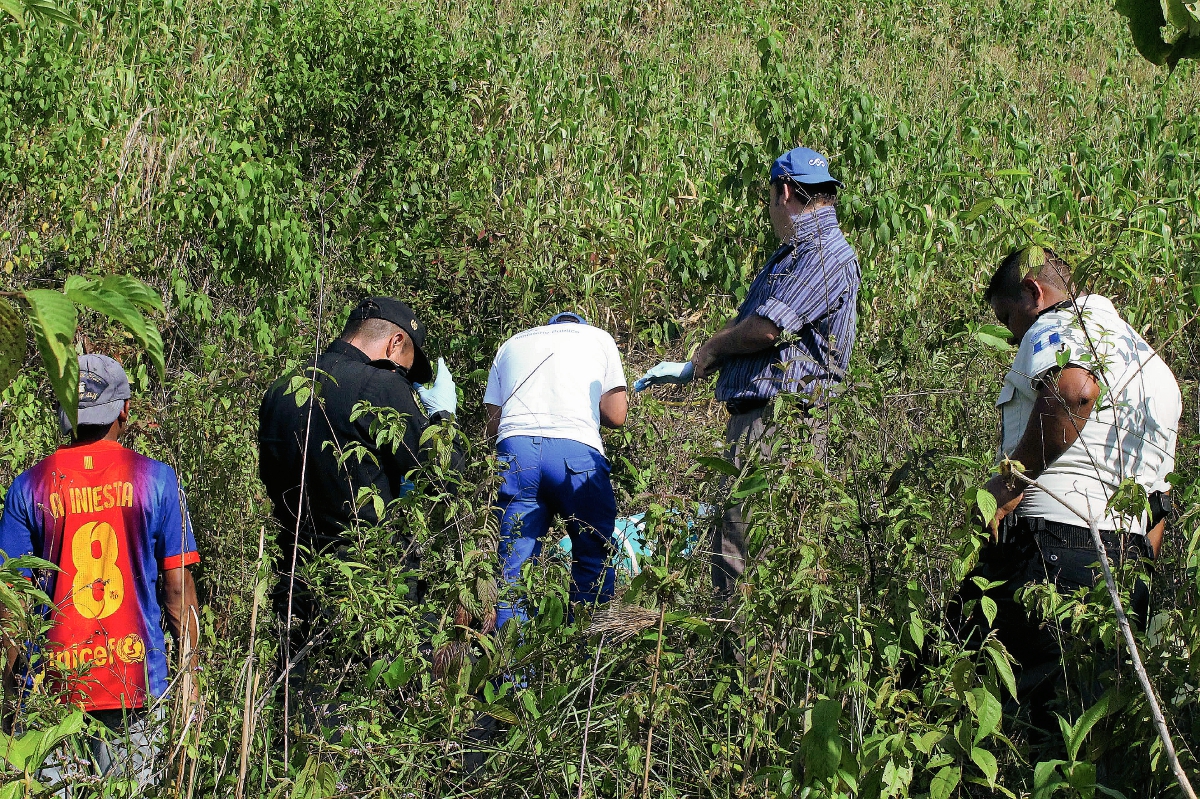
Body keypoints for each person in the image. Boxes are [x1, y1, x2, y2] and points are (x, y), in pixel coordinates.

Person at [951, 246, 1181, 720]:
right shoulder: (1154, 366)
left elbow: (1075, 391)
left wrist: (1009, 484)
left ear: (1035, 293)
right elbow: (1159, 501)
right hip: (1126, 563)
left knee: (950, 673)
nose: (1013, 332)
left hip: (1048, 550)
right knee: (1080, 730)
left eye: (1009, 315)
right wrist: (1133, 572)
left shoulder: (1058, 324)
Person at [634, 146, 860, 600]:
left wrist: (709, 349)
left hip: (779, 423)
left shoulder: (823, 254)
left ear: (786, 192)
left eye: (772, 197)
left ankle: (748, 669)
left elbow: (766, 328)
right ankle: (742, 662)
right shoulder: (796, 253)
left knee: (747, 557)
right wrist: (698, 366)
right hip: (763, 420)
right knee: (737, 548)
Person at [0, 354, 200, 790]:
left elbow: (12, 600)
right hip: (136, 684)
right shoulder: (158, 480)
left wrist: (14, 692)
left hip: (54, 693)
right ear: (124, 409)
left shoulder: (28, 486)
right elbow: (178, 591)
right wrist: (189, 683)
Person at [258, 297, 462, 621]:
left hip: (296, 583)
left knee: (294, 670)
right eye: (405, 371)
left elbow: (271, 476)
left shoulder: (281, 389)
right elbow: (445, 474)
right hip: (369, 589)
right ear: (395, 343)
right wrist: (443, 418)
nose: (404, 381)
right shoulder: (381, 385)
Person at [484, 312, 628, 628]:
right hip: (575, 453)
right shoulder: (599, 338)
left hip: (516, 453)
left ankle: (512, 672)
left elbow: (493, 424)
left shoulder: (511, 343)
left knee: (513, 570)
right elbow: (617, 415)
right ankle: (585, 657)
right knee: (593, 559)